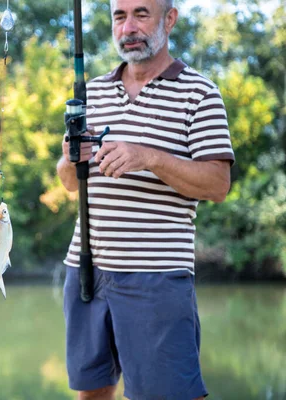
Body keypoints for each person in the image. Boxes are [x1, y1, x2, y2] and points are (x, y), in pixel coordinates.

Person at [57, 0, 234, 399]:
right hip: (86, 269)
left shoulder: (200, 93)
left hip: (155, 275)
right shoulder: (93, 92)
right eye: (120, 16)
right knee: (91, 391)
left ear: (168, 19)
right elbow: (68, 180)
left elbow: (218, 185)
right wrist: (71, 159)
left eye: (141, 14)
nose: (129, 27)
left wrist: (148, 157)